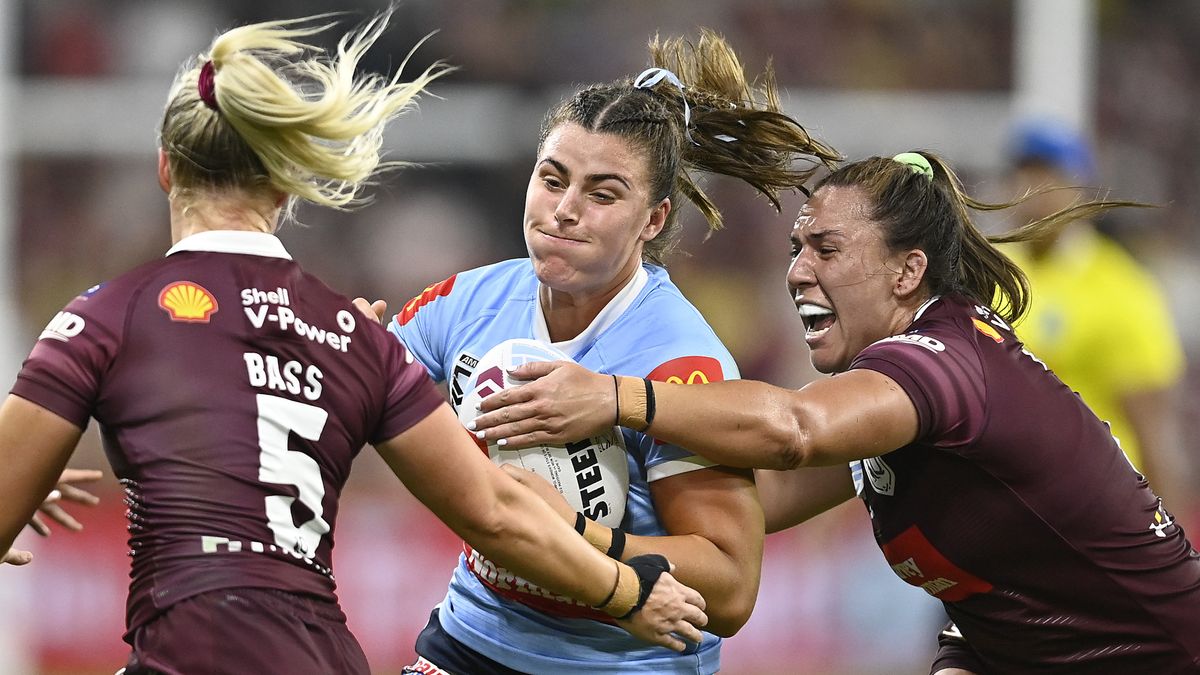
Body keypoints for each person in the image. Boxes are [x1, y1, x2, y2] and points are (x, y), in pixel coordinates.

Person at [0, 13, 708, 674]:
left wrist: (19, 474)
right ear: (285, 186)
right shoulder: (353, 337)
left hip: (190, 648)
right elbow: (494, 512)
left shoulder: (103, 317)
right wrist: (627, 591)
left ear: (164, 168)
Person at [471, 151, 1200, 673]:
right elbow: (767, 500)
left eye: (825, 248)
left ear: (907, 271)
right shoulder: (905, 395)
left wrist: (613, 396)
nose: (798, 270)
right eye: (796, 248)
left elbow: (793, 432)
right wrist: (579, 514)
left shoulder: (941, 363)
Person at [385, 30, 840, 675]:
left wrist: (571, 541)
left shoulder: (679, 362)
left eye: (602, 194)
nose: (565, 211)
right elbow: (355, 401)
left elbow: (732, 591)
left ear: (652, 221)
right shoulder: (468, 299)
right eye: (553, 180)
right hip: (471, 641)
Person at [1003, 118, 1190, 508]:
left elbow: (1153, 433)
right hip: (1001, 502)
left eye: (1048, 178)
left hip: (1092, 508)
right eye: (1023, 176)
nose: (1033, 192)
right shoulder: (986, 273)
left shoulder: (1121, 289)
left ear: (1080, 191)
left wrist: (1177, 552)